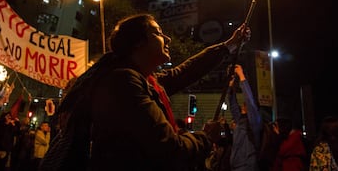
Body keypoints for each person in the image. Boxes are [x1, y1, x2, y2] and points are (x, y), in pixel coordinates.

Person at [39, 13, 251, 171]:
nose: (167, 39)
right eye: (158, 33)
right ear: (138, 44)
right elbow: (169, 150)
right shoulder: (124, 82)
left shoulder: (143, 80)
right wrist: (206, 137)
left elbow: (184, 72)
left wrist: (229, 46)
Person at [227, 64, 262, 171]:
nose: (243, 105)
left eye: (245, 105)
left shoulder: (255, 123)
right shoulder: (240, 120)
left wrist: (242, 76)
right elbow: (232, 104)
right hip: (235, 165)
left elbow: (250, 101)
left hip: (247, 166)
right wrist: (231, 86)